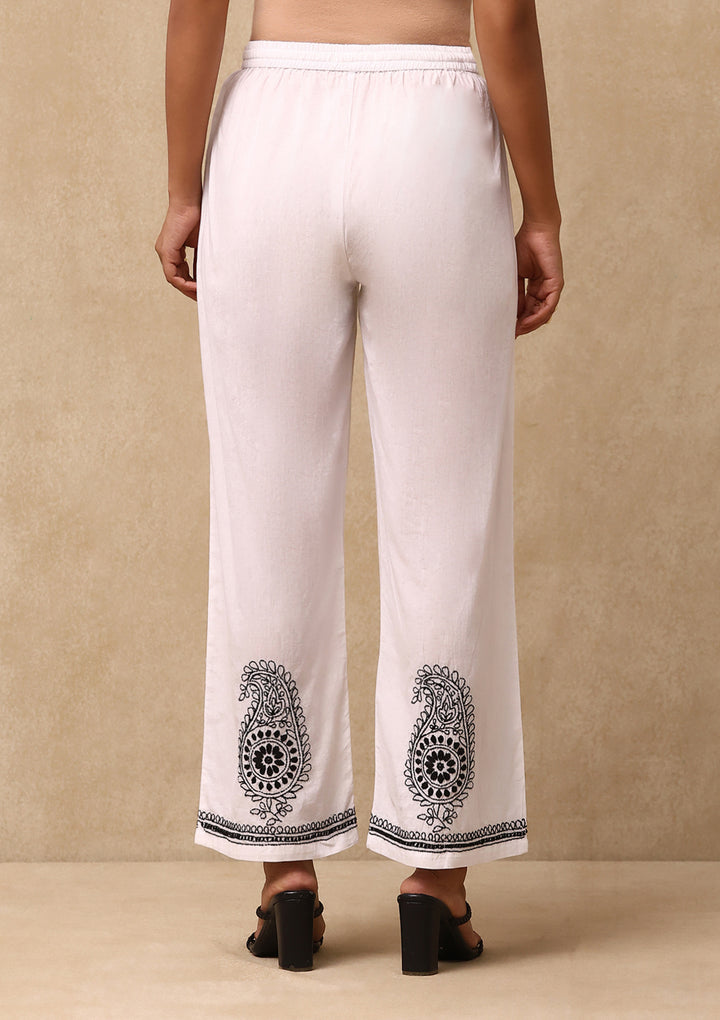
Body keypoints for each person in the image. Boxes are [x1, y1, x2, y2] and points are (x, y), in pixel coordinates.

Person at [155, 0, 563, 975]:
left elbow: (195, 6)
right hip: (432, 139)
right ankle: (436, 877)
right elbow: (504, 14)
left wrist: (182, 189)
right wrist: (542, 210)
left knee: (266, 511)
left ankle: (284, 869)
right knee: (447, 515)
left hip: (270, 139)